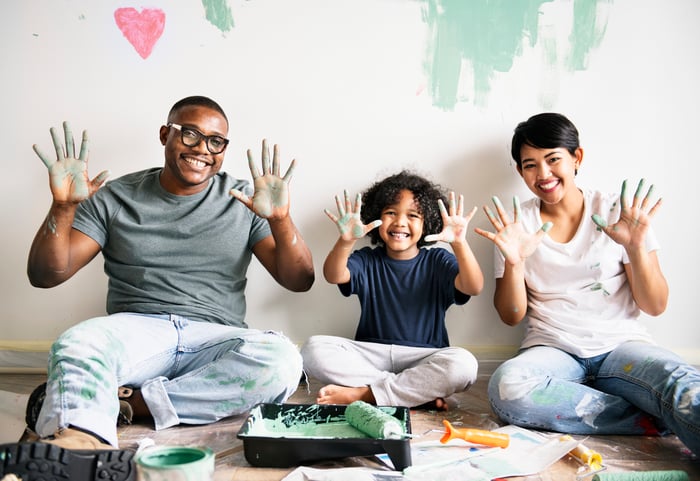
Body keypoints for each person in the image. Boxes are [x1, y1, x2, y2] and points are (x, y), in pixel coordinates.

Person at [1, 96, 314, 478]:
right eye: (190, 135)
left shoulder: (245, 200)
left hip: (214, 336)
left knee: (283, 361)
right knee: (76, 342)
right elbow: (46, 275)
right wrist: (64, 207)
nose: (202, 149)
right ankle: (80, 446)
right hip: (138, 330)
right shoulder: (116, 196)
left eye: (216, 142)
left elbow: (299, 281)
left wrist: (281, 220)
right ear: (166, 134)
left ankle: (128, 402)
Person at [475, 112, 700, 454]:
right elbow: (511, 315)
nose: (543, 174)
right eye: (530, 165)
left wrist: (636, 248)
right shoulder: (517, 225)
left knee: (684, 385)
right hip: (553, 350)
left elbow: (655, 305)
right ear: (520, 171)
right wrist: (514, 260)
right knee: (508, 388)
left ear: (576, 158)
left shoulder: (616, 211)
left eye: (553, 159)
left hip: (622, 347)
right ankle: (650, 418)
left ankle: (662, 409)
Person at [301, 171, 483, 410]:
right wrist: (345, 241)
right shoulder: (367, 259)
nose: (399, 222)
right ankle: (413, 394)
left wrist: (459, 243)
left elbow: (474, 286)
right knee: (312, 349)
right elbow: (334, 275)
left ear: (427, 222)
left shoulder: (438, 260)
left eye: (413, 215)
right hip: (371, 356)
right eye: (390, 213)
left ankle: (367, 395)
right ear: (377, 218)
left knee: (464, 365)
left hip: (423, 357)